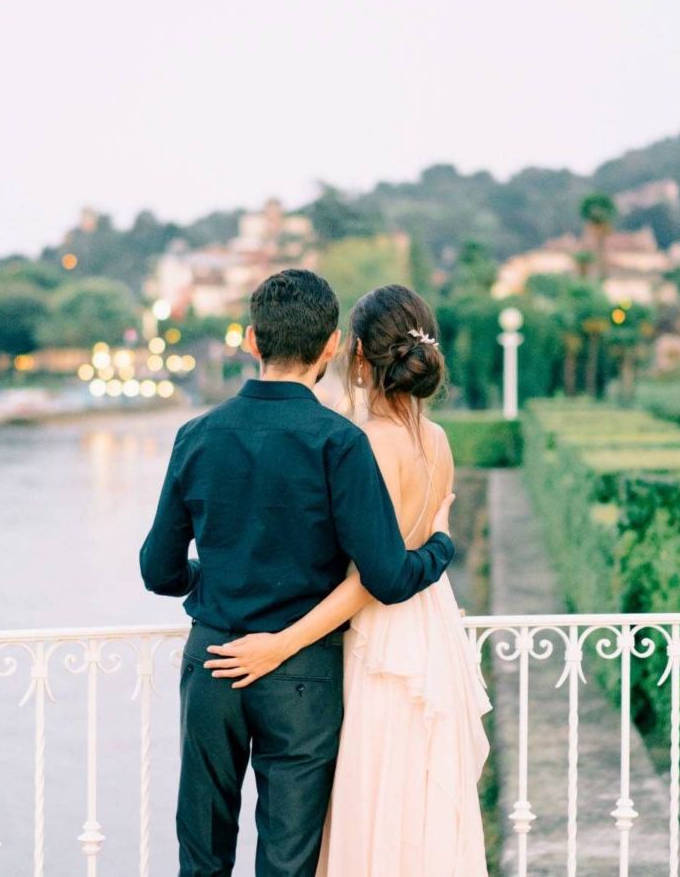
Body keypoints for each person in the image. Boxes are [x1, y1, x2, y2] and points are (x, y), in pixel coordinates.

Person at [140, 270, 456, 877]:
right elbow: (388, 577)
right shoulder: (340, 441)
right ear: (332, 346)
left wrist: (210, 581)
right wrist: (441, 545)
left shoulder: (196, 435)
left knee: (201, 853)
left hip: (213, 658)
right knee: (288, 860)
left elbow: (159, 570)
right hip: (304, 676)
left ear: (252, 340)